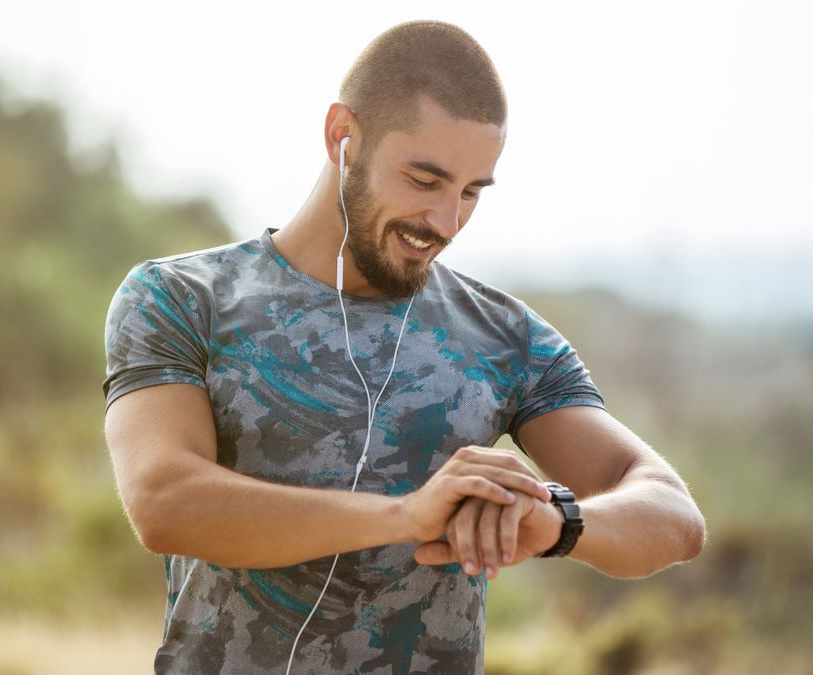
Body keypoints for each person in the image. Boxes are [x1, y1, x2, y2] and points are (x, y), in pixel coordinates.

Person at [102, 20, 705, 675]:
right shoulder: (180, 297)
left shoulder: (506, 336)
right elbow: (164, 500)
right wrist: (407, 514)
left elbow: (674, 516)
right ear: (343, 138)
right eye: (425, 180)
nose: (446, 222)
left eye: (471, 192)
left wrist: (558, 523)